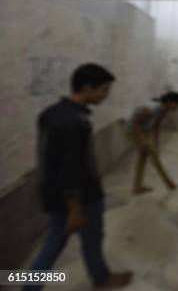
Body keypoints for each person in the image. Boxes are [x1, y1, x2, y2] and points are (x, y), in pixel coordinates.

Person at [27, 63, 132, 290]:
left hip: (53, 193)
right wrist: (75, 208)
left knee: (55, 240)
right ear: (86, 87)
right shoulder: (76, 123)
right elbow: (71, 168)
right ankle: (102, 280)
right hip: (82, 197)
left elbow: (50, 159)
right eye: (104, 89)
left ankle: (29, 286)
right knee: (87, 240)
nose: (107, 95)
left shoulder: (51, 113)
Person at [127, 91, 178, 196]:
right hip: (133, 130)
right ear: (170, 102)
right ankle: (168, 182)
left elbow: (157, 125)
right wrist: (143, 140)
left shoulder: (164, 110)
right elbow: (135, 123)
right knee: (154, 156)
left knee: (143, 157)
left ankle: (137, 187)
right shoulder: (152, 109)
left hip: (144, 130)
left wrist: (156, 141)